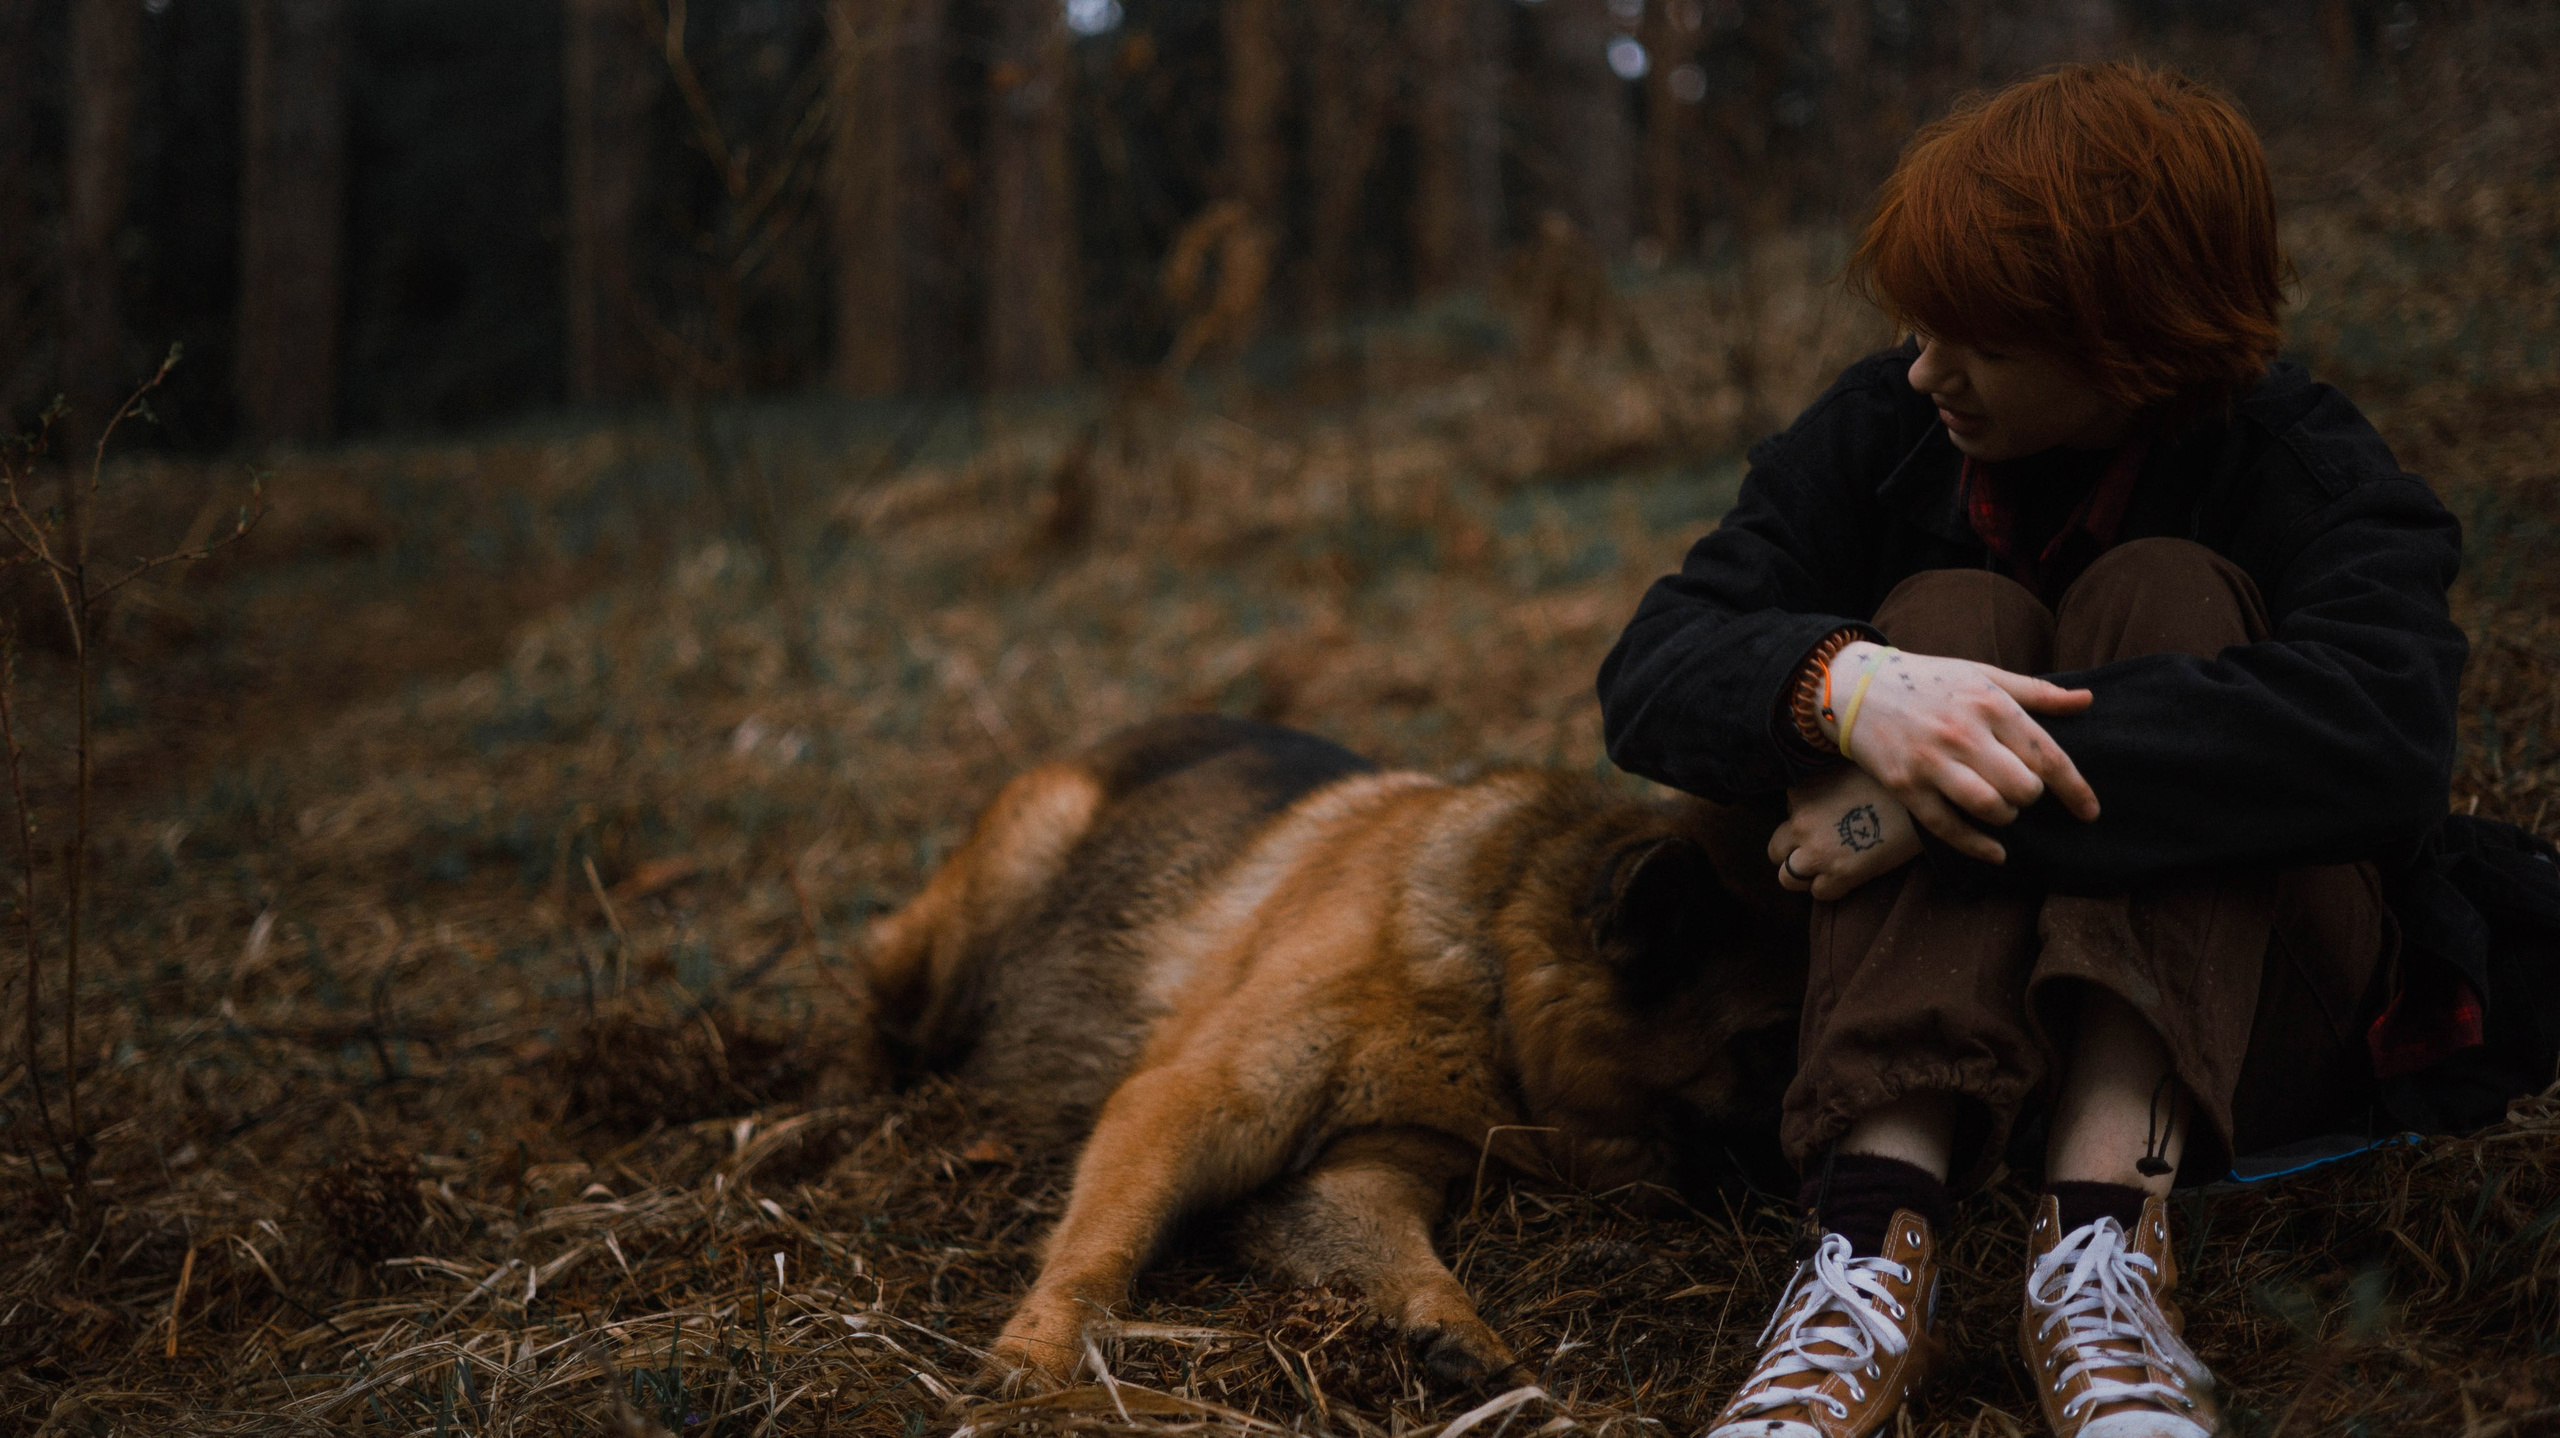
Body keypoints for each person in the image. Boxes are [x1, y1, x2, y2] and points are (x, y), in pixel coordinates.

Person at [1596, 62, 2466, 1438]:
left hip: (2241, 1018)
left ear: (2129, 341)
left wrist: (1905, 800)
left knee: (2169, 596)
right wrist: (1858, 691)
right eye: (1917, 327)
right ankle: (1871, 1254)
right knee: (1943, 624)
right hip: (1924, 1010)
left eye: (1978, 340)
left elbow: (2387, 733)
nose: (1925, 367)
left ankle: (2104, 1250)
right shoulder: (1890, 422)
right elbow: (1653, 663)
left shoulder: (2298, 462)